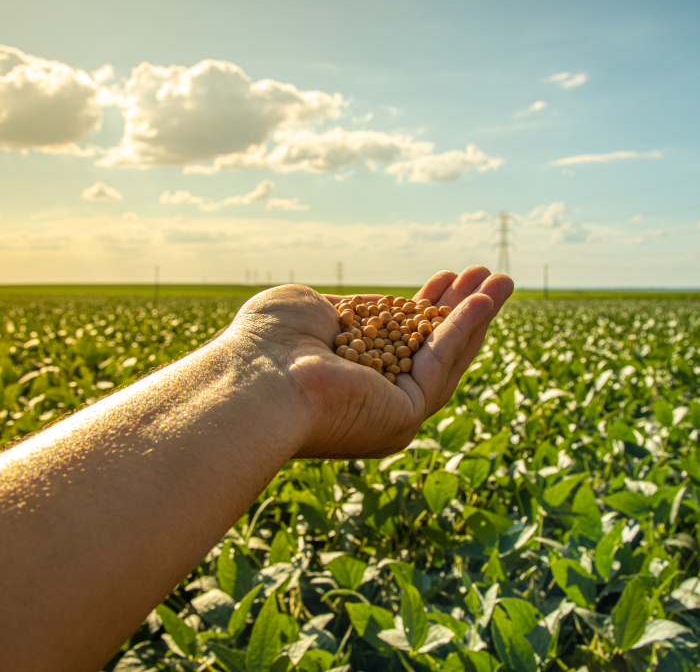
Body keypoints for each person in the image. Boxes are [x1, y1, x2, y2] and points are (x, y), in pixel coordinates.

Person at [0, 266, 513, 672]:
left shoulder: (377, 333)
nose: (391, 325)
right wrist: (266, 368)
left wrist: (261, 370)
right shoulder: (371, 338)